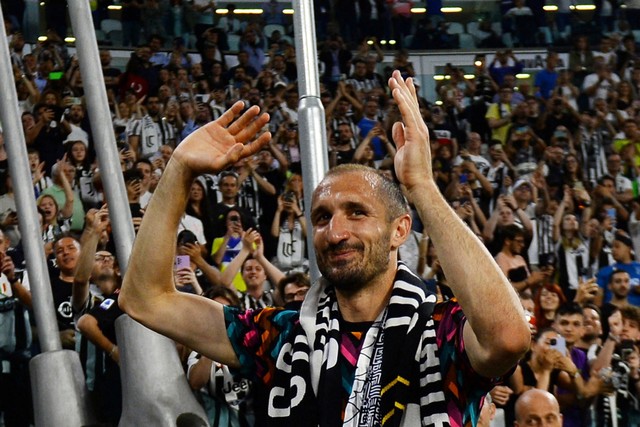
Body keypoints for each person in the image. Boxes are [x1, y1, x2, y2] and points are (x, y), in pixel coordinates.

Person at [119, 71, 530, 425]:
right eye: (321, 217)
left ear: (400, 230)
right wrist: (180, 170)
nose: (335, 233)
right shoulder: (279, 336)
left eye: (356, 212)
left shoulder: (442, 332)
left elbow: (508, 338)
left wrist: (421, 187)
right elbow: (146, 299)